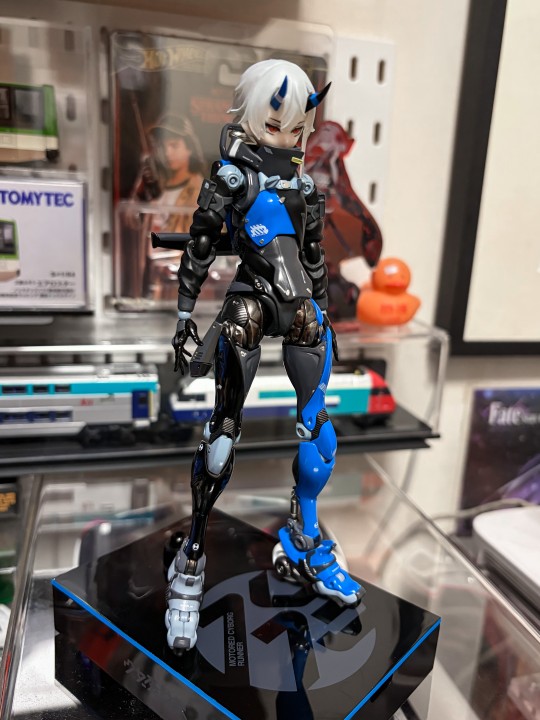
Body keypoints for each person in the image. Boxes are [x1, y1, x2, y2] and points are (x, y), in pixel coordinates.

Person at [164, 59, 365, 653]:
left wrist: (325, 313)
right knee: (222, 439)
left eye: (297, 127)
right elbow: (200, 247)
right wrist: (183, 318)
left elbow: (314, 258)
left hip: (300, 310)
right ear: (252, 116)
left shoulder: (305, 187)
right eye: (276, 124)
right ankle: (190, 560)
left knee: (319, 432)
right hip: (250, 305)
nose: (287, 136)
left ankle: (304, 541)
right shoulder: (231, 179)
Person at [131, 114, 205, 300]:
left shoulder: (199, 190)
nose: (167, 153)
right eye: (163, 147)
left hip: (179, 281)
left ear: (189, 148)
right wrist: (141, 195)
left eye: (174, 146)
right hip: (149, 277)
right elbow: (131, 222)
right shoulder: (157, 185)